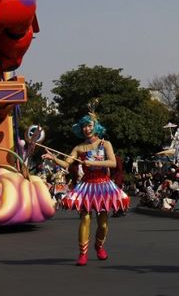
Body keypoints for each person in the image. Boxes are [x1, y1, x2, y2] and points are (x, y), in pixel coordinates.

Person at [43, 113, 130, 266]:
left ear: (96, 127)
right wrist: (53, 158)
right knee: (85, 218)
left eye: (89, 125)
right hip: (87, 186)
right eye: (84, 126)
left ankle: (99, 246)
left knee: (103, 222)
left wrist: (93, 162)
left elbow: (113, 163)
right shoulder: (79, 148)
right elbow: (66, 164)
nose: (87, 129)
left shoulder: (105, 144)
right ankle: (83, 253)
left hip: (103, 185)